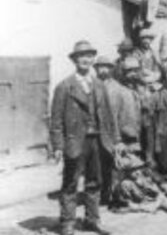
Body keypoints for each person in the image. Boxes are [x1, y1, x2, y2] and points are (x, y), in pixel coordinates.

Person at [50, 41, 120, 235]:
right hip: (75, 141)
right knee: (70, 183)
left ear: (92, 60)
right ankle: (67, 223)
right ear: (74, 60)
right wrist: (57, 146)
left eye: (89, 56)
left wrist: (115, 140)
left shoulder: (99, 85)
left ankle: (92, 220)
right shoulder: (64, 87)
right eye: (81, 56)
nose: (86, 59)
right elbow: (56, 120)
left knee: (95, 181)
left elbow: (108, 115)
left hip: (97, 141)